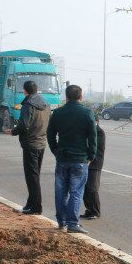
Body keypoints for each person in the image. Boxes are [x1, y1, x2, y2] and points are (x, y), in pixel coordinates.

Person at [46, 84, 97, 234]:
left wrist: (56, 151)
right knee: (76, 192)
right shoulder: (87, 113)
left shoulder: (58, 113)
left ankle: (61, 221)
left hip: (62, 157)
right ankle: (73, 224)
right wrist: (91, 155)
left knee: (61, 192)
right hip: (80, 159)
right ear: (81, 96)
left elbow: (50, 135)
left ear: (66, 96)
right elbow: (92, 137)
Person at [11, 80, 50, 215]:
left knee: (31, 177)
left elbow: (23, 125)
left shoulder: (28, 104)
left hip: (31, 144)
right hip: (41, 143)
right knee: (35, 175)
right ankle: (30, 204)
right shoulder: (45, 103)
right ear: (37, 89)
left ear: (25, 91)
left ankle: (36, 207)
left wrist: (12, 131)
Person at [82, 114, 105, 219]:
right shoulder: (87, 131)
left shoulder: (99, 132)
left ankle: (95, 212)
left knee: (92, 188)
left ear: (97, 122)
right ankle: (89, 210)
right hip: (85, 162)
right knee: (85, 188)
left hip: (95, 163)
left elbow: (92, 146)